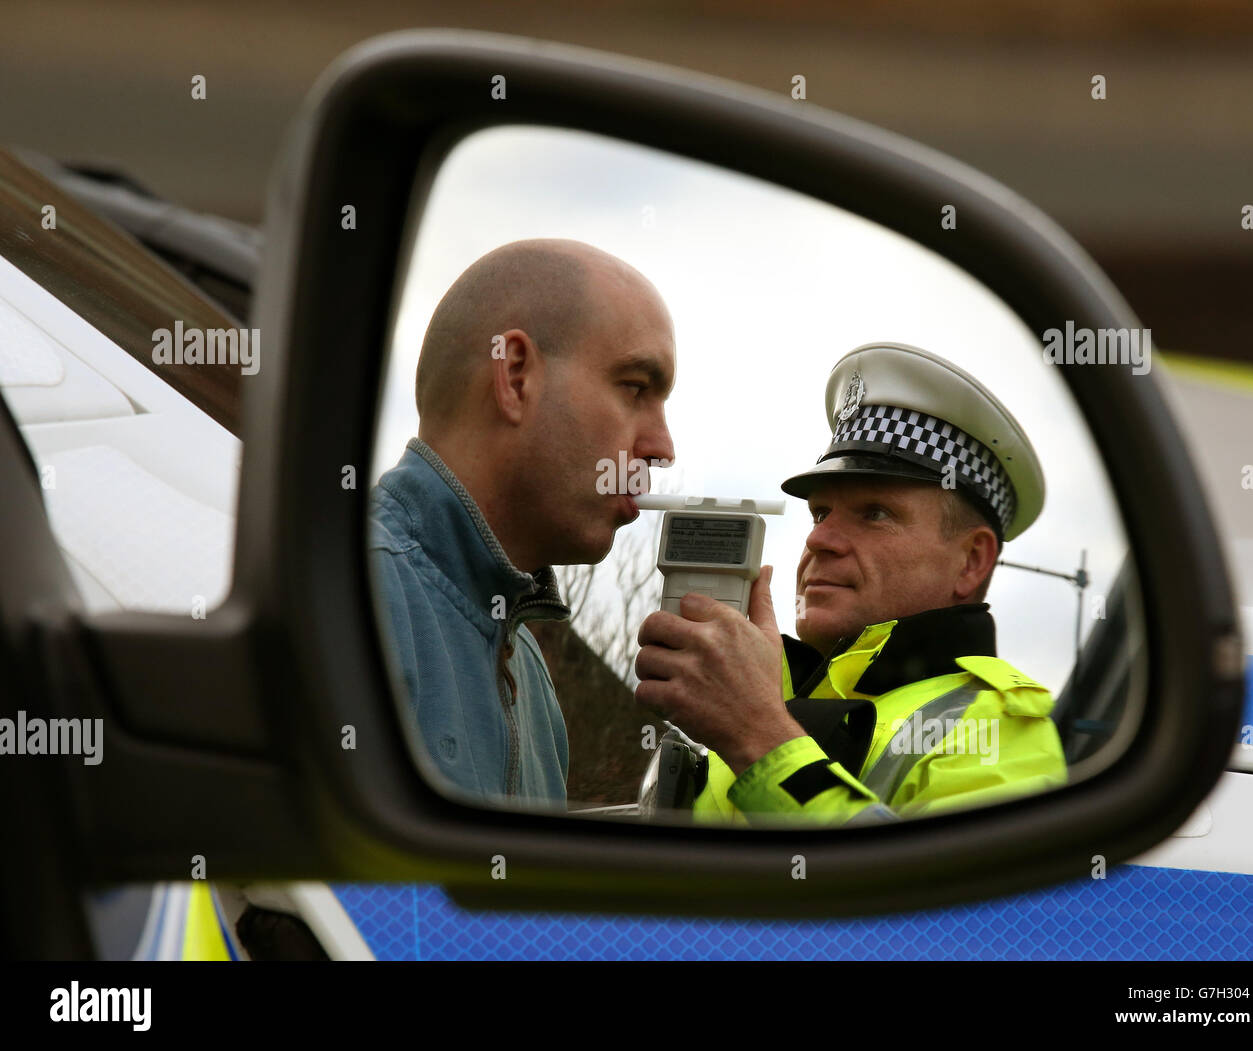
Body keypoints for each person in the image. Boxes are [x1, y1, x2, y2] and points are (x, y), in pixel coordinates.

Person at [635, 342, 1065, 824]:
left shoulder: (1001, 728)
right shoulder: (756, 700)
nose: (819, 538)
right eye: (820, 513)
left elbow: (937, 898)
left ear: (971, 561)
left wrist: (759, 738)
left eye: (874, 513)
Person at [370, 239, 675, 808]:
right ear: (514, 376)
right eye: (635, 387)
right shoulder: (360, 601)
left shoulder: (529, 673)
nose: (662, 448)